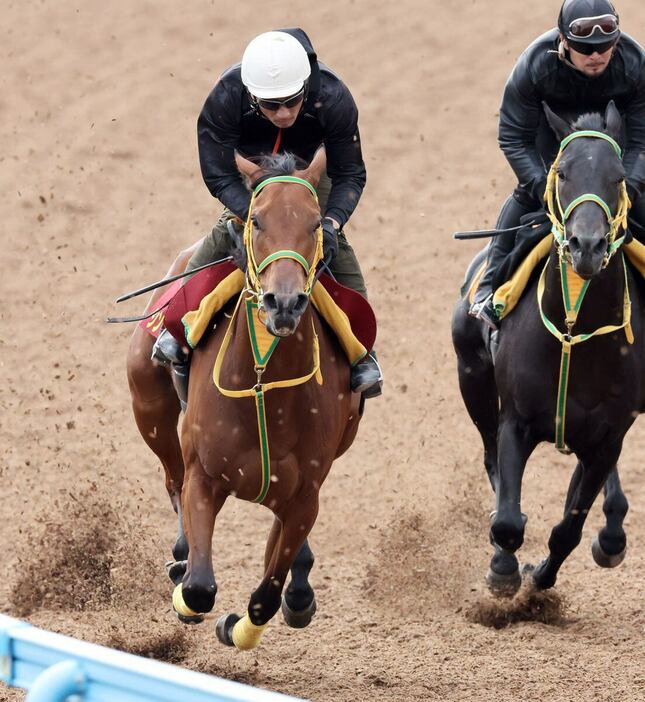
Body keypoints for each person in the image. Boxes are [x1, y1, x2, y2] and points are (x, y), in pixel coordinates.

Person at [153, 28, 382, 401]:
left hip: (311, 174)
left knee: (334, 247)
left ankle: (362, 353)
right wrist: (254, 217)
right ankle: (176, 329)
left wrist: (332, 222)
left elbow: (351, 174)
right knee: (225, 233)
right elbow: (217, 172)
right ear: (250, 95)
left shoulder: (334, 97)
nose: (284, 113)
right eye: (270, 106)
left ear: (307, 86)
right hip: (254, 176)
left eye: (293, 102)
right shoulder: (226, 97)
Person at [470, 0, 645, 330]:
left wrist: (630, 187)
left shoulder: (636, 65)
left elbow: (643, 142)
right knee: (523, 200)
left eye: (604, 47)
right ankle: (486, 292)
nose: (596, 56)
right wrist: (542, 186)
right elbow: (512, 135)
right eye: (584, 48)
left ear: (616, 42)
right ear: (564, 41)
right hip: (554, 152)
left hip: (612, 160)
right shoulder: (535, 65)